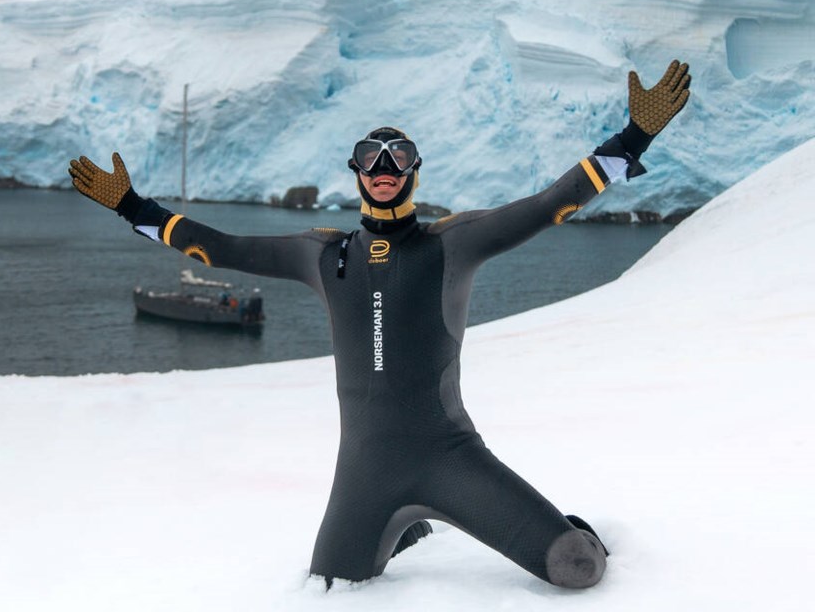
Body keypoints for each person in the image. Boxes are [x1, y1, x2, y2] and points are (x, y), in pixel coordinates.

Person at [69, 60, 691, 589]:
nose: (385, 165)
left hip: (452, 458)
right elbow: (221, 247)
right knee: (330, 586)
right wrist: (132, 207)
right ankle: (408, 524)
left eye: (398, 156)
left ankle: (552, 524)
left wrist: (634, 136)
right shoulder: (321, 254)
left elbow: (548, 204)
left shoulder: (453, 243)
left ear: (414, 171)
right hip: (364, 472)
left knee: (577, 568)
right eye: (372, 156)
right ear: (357, 171)